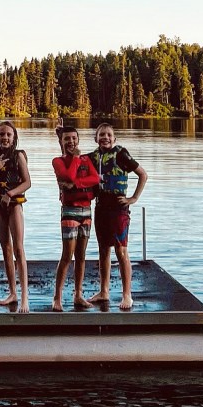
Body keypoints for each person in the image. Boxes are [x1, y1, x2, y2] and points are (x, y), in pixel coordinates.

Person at [87, 123, 148, 311]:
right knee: (103, 250)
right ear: (96, 139)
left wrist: (133, 198)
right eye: (102, 135)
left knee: (121, 251)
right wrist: (60, 136)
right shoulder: (92, 157)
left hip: (118, 208)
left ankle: (127, 294)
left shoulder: (121, 154)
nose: (105, 137)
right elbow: (71, 157)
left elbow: (143, 175)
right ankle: (103, 291)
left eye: (109, 135)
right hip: (101, 207)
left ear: (114, 139)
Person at [51, 124, 101, 311]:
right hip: (70, 211)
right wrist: (75, 159)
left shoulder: (86, 159)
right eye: (67, 139)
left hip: (86, 211)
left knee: (81, 255)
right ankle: (57, 297)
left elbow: (95, 179)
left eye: (74, 138)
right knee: (67, 255)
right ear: (61, 141)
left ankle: (78, 295)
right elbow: (68, 176)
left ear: (78, 139)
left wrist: (77, 184)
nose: (71, 142)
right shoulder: (58, 161)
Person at [0, 120, 32, 313]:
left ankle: (24, 297)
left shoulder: (18, 155)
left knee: (18, 248)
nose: (4, 137)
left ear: (14, 137)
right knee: (5, 248)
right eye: (1, 134)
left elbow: (27, 182)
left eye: (8, 134)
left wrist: (11, 194)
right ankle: (12, 292)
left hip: (14, 204)